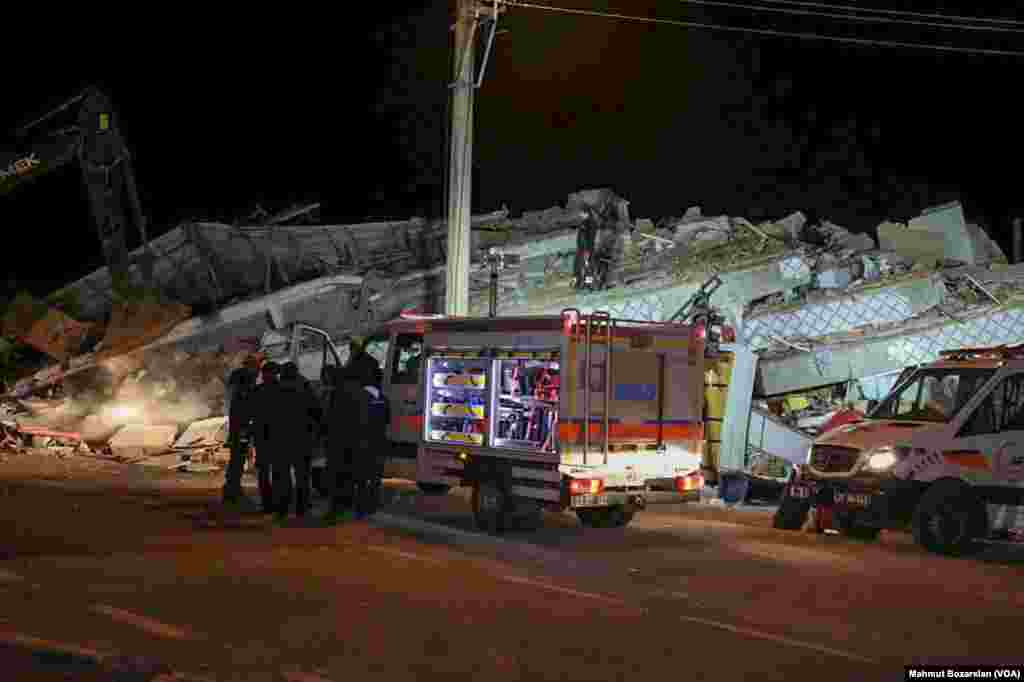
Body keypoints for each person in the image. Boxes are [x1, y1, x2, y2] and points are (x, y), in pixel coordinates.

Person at [275, 361, 321, 520]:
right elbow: (317, 411)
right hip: (303, 439)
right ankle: (301, 508)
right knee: (302, 476)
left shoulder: (279, 389)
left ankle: (282, 507)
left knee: (283, 475)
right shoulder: (306, 387)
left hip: (283, 439)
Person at [323, 365, 365, 523]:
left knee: (337, 478)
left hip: (338, 441)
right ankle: (354, 509)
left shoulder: (337, 393)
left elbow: (330, 418)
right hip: (356, 441)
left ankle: (335, 510)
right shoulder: (360, 393)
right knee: (352, 477)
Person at [222, 356, 260, 506]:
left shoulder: (237, 385)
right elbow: (248, 408)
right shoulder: (245, 386)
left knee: (237, 459)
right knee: (238, 459)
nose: (257, 373)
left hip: (237, 427)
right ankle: (233, 490)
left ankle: (231, 489)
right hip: (241, 428)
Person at [249, 361, 281, 513]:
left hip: (264, 435)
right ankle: (274, 503)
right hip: (273, 435)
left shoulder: (258, 390)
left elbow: (251, 413)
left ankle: (268, 503)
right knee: (274, 471)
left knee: (266, 471)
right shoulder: (282, 390)